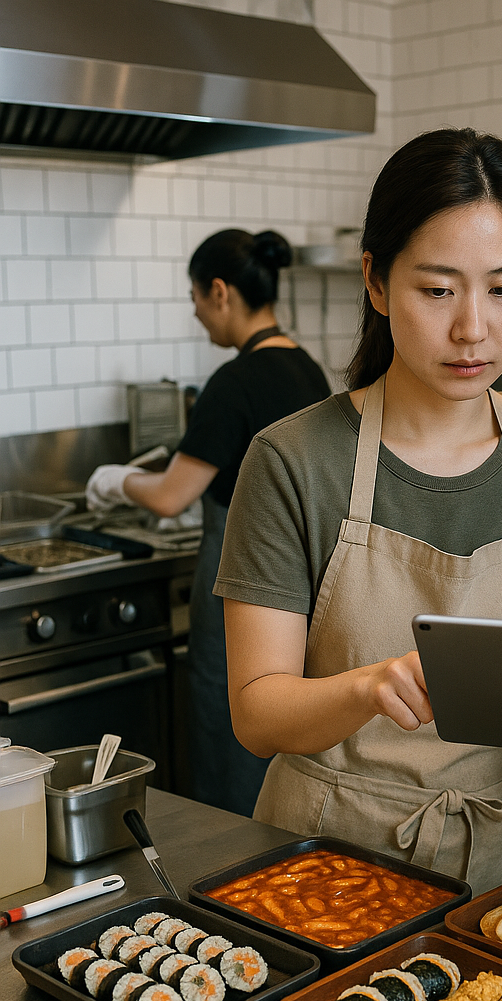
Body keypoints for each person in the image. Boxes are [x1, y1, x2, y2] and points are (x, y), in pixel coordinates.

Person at [213, 128, 502, 894]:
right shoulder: (294, 459)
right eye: (437, 290)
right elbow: (257, 714)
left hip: (494, 862)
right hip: (320, 863)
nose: (473, 328)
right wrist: (369, 688)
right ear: (376, 281)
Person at [86, 229, 332, 816]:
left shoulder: (234, 382)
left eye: (195, 297)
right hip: (312, 589)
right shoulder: (308, 371)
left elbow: (172, 495)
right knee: (287, 745)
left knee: (232, 743)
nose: (197, 314)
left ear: (220, 291)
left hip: (240, 590)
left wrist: (115, 480)